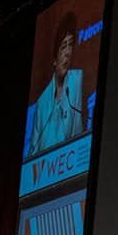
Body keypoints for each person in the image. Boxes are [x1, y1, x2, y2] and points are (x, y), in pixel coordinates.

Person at [27, 12, 85, 158]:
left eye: (70, 45)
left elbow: (78, 133)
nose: (67, 53)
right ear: (54, 60)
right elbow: (33, 151)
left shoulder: (76, 81)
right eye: (63, 47)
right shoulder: (42, 103)